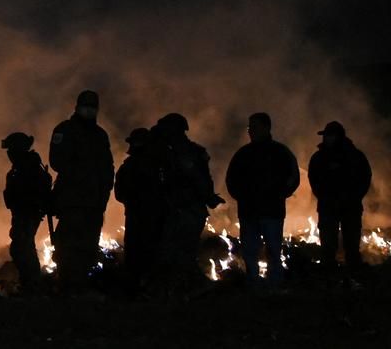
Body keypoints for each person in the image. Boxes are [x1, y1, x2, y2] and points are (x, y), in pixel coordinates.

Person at [48, 90, 114, 294]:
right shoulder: (65, 130)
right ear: (77, 107)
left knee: (88, 244)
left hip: (94, 202)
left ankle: (81, 284)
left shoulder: (100, 135)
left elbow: (107, 168)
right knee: (67, 244)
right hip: (71, 200)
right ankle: (66, 283)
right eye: (86, 106)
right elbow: (56, 161)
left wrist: (103, 193)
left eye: (92, 107)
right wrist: (80, 173)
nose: (89, 110)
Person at [225, 112, 300, 289]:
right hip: (248, 212)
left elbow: (293, 178)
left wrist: (279, 194)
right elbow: (231, 179)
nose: (250, 131)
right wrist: (242, 197)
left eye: (254, 127)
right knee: (250, 249)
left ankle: (275, 282)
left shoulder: (280, 152)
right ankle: (253, 281)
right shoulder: (243, 154)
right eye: (249, 127)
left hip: (272, 211)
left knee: (273, 249)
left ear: (266, 128)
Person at [151, 114, 223, 294]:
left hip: (186, 210)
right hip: (180, 209)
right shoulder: (173, 152)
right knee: (175, 253)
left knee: (180, 253)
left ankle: (191, 289)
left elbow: (198, 179)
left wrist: (208, 197)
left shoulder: (185, 153)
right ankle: (183, 289)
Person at [308, 121, 372, 271]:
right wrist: (324, 196)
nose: (326, 139)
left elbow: (365, 178)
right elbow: (314, 179)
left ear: (339, 137)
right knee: (328, 245)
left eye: (330, 136)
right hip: (328, 206)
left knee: (351, 243)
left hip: (350, 206)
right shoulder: (319, 157)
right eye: (326, 136)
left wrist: (355, 197)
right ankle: (329, 273)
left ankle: (354, 274)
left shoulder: (355, 156)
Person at [113, 128, 166, 291]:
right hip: (144, 215)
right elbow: (120, 192)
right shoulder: (156, 165)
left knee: (140, 251)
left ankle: (139, 287)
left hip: (145, 215)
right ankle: (141, 287)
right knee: (142, 251)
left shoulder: (152, 165)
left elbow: (119, 193)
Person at [2, 132, 51, 295]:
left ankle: (32, 283)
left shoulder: (28, 166)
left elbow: (31, 192)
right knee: (22, 246)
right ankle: (30, 282)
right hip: (23, 212)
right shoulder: (23, 166)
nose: (8, 154)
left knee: (22, 247)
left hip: (27, 213)